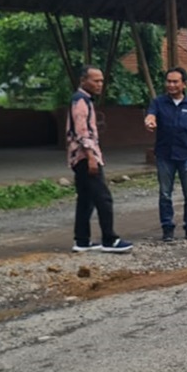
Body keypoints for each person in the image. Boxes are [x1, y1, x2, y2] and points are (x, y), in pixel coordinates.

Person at [67, 66, 132, 253]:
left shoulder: (83, 100)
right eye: (95, 80)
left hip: (80, 157)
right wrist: (91, 157)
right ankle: (109, 239)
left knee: (86, 199)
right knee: (103, 198)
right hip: (85, 157)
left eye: (101, 80)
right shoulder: (80, 101)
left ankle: (81, 241)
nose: (99, 84)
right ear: (83, 81)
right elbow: (81, 131)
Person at [145, 67, 187, 243]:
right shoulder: (158, 103)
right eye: (168, 81)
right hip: (165, 156)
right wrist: (149, 121)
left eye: (175, 82)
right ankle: (167, 229)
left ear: (184, 84)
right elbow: (151, 116)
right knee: (165, 194)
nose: (171, 85)